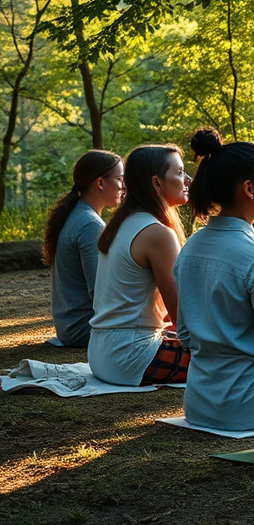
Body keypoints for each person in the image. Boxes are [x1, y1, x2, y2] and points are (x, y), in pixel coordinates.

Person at [173, 129, 254, 432]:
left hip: (199, 405)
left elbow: (185, 333)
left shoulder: (189, 249)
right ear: (249, 188)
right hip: (251, 405)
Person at [88, 144, 192, 386]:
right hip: (132, 356)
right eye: (179, 172)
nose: (188, 180)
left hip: (101, 353)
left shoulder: (121, 223)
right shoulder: (157, 233)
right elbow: (181, 316)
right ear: (157, 183)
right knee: (235, 357)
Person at [42, 150, 124, 348]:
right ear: (100, 183)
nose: (123, 186)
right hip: (85, 330)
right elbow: (99, 290)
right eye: (120, 179)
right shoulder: (90, 224)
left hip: (71, 328)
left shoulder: (77, 214)